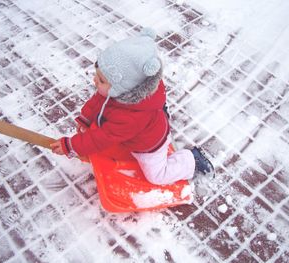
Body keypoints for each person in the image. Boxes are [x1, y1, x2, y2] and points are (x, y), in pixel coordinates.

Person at [50, 28, 213, 185]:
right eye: (97, 76)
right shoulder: (119, 91)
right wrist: (86, 118)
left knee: (157, 176)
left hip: (149, 145)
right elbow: (99, 100)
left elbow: (103, 137)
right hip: (136, 131)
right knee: (102, 126)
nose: (94, 81)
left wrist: (71, 146)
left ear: (124, 87)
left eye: (100, 80)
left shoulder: (129, 117)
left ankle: (191, 160)